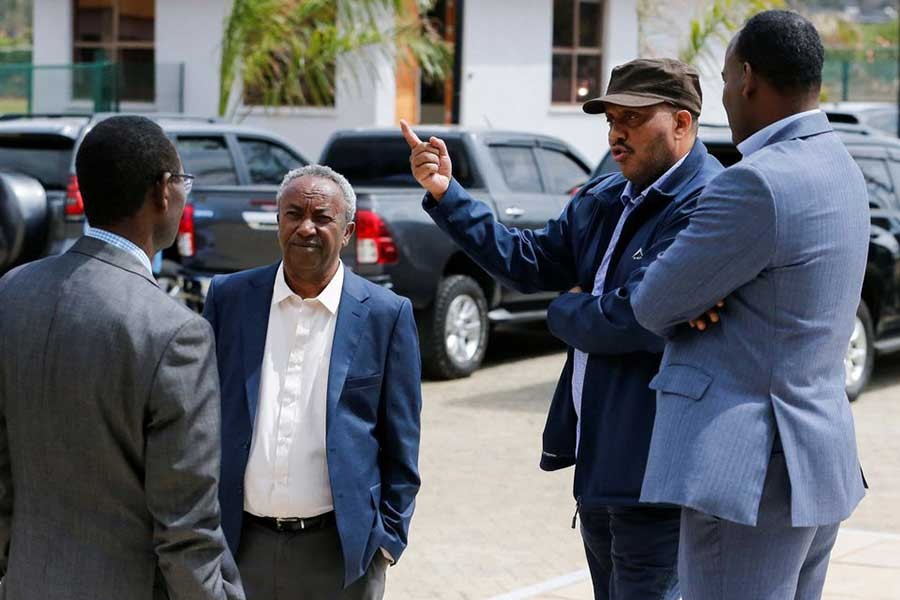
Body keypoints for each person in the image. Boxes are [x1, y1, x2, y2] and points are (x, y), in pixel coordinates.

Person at [402, 58, 722, 600]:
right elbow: (527, 260)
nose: (616, 133)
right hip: (600, 468)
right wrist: (446, 194)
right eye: (611, 118)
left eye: (634, 119)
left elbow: (638, 317)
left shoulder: (707, 203)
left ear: (683, 123)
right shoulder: (604, 199)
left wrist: (563, 314)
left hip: (659, 478)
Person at [630, 11, 869, 599]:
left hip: (745, 475)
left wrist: (701, 297)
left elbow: (654, 301)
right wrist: (705, 294)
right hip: (814, 465)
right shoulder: (841, 166)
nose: (727, 95)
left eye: (726, 77)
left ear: (748, 78)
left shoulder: (755, 182)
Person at [0, 115, 243, 600]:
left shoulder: (12, 291)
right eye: (183, 182)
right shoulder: (176, 332)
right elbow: (187, 530)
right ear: (161, 191)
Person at [203, 165, 422, 600]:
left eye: (322, 217)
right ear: (278, 220)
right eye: (293, 214)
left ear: (347, 231)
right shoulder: (230, 298)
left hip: (340, 557)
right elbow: (201, 416)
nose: (305, 227)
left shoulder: (385, 314)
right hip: (239, 547)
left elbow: (403, 443)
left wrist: (387, 542)